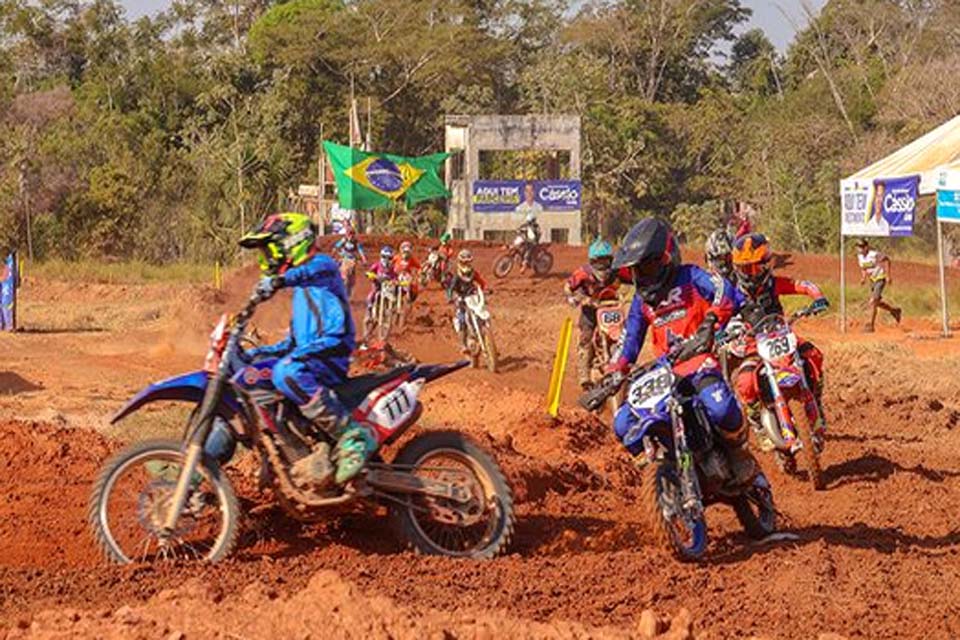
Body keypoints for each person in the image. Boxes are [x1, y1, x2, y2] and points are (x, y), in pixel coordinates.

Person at [606, 218, 754, 484]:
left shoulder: (690, 276)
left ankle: (737, 450)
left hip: (697, 360)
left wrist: (709, 323)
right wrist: (614, 371)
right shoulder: (641, 301)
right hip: (664, 372)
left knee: (720, 410)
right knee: (622, 425)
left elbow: (723, 289)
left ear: (666, 258)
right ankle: (660, 468)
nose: (643, 273)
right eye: (637, 269)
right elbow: (629, 340)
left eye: (648, 265)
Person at [239, 213, 374, 485]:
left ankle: (352, 436)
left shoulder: (322, 267)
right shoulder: (302, 292)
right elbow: (293, 343)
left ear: (293, 242)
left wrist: (280, 280)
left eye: (270, 250)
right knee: (260, 372)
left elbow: (306, 273)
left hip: (329, 352)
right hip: (311, 355)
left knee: (286, 372)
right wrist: (253, 355)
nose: (266, 259)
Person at [728, 233, 830, 451]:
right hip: (752, 344)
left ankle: (816, 400)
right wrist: (723, 330)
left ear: (767, 265)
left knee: (814, 355)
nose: (752, 274)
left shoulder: (773, 284)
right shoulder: (734, 293)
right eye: (746, 269)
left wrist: (818, 297)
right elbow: (719, 312)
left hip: (780, 335)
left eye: (756, 268)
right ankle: (758, 425)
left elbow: (803, 285)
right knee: (745, 383)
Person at [565, 239, 620, 390]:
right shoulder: (583, 273)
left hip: (611, 308)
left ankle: (624, 364)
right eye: (599, 261)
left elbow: (633, 281)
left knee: (623, 335)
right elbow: (568, 286)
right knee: (586, 339)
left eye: (606, 261)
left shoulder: (616, 272)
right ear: (592, 262)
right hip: (590, 308)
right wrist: (574, 298)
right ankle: (584, 376)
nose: (603, 265)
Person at [445, 249, 488, 353]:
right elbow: (450, 288)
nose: (466, 264)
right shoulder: (456, 275)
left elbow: (481, 282)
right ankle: (463, 345)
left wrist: (485, 289)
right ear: (460, 262)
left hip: (472, 297)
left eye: (468, 262)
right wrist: (450, 297)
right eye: (464, 262)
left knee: (482, 313)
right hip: (461, 299)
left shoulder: (473, 273)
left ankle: (489, 343)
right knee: (461, 320)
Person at [856, 238, 902, 332]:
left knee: (873, 302)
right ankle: (894, 311)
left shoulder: (874, 254)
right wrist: (863, 278)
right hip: (872, 280)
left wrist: (888, 275)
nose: (860, 249)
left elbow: (887, 260)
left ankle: (870, 326)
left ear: (866, 247)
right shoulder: (860, 257)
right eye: (858, 247)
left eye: (862, 247)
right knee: (876, 302)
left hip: (880, 278)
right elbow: (863, 268)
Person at [364, 246, 398, 338]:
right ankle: (369, 308)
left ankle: (390, 312)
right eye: (384, 257)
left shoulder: (391, 268)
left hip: (387, 288)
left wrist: (395, 281)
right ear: (381, 256)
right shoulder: (377, 265)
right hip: (377, 285)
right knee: (374, 293)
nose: (386, 260)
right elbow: (369, 272)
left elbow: (395, 276)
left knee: (394, 294)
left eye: (389, 258)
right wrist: (370, 275)